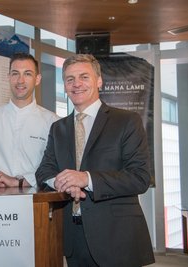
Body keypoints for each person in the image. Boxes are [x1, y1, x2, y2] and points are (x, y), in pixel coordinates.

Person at [36, 54, 155, 267]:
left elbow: (140, 177)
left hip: (117, 237)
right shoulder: (58, 128)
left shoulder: (127, 121)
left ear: (99, 81)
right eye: (70, 79)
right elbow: (44, 171)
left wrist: (86, 179)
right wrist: (61, 182)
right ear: (64, 84)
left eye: (84, 76)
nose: (76, 84)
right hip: (74, 236)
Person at [0, 52, 59, 188]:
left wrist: (21, 182)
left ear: (37, 79)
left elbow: (54, 167)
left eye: (27, 74)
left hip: (37, 200)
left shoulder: (52, 121)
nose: (20, 80)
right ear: (8, 77)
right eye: (15, 73)